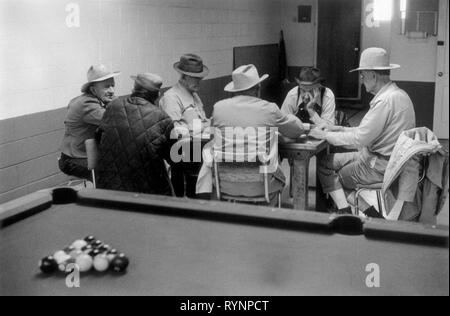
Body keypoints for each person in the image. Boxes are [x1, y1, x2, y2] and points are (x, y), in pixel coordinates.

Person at [309, 47, 416, 214]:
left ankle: (354, 212)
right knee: (326, 162)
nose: (361, 79)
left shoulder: (384, 102)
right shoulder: (399, 95)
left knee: (335, 175)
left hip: (378, 166)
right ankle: (346, 208)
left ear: (373, 75)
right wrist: (338, 128)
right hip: (385, 160)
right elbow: (368, 131)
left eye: (362, 74)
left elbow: (359, 140)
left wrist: (324, 135)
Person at [196, 64, 305, 199]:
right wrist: (291, 118)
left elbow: (213, 136)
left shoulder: (218, 108)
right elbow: (297, 131)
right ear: (258, 88)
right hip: (261, 185)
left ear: (234, 90)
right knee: (279, 175)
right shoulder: (269, 109)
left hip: (224, 184)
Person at [96, 73, 175, 196]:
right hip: (146, 194)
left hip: (109, 188)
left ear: (133, 89)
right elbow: (175, 158)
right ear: (157, 95)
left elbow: (98, 137)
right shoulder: (162, 119)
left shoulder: (112, 106)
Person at [159, 53, 210, 198]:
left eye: (200, 78)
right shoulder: (171, 97)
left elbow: (203, 120)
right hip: (183, 154)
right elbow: (175, 132)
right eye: (195, 78)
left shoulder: (193, 94)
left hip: (198, 149)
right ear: (183, 76)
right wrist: (200, 129)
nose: (199, 81)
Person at [59, 64, 120, 180]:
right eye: (106, 87)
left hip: (83, 154)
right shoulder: (87, 105)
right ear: (93, 89)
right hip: (74, 159)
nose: (112, 91)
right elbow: (116, 121)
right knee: (109, 175)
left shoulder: (91, 100)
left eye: (113, 85)